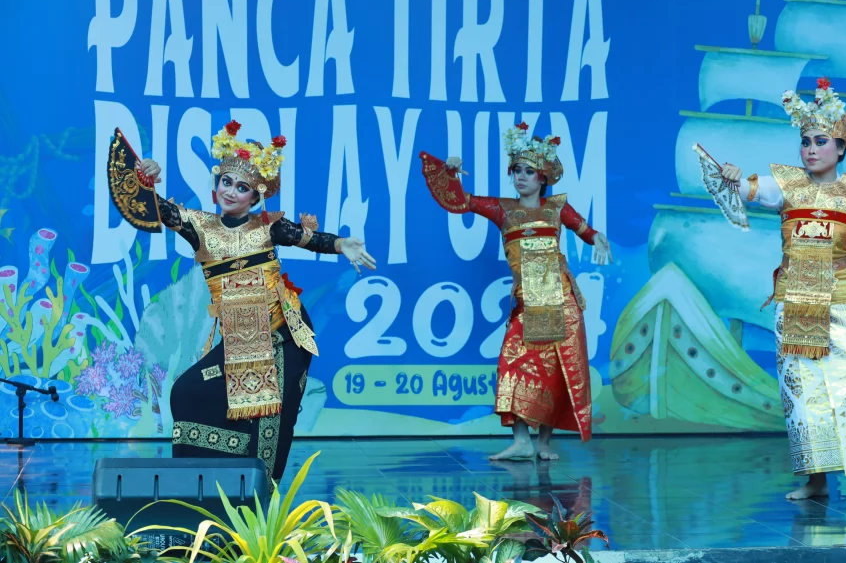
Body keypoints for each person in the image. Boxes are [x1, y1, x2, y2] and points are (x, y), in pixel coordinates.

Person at [107, 120, 375, 484]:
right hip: (241, 335)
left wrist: (341, 244)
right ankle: (199, 486)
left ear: (255, 197)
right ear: (216, 185)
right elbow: (154, 208)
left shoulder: (267, 226)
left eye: (242, 187)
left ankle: (258, 501)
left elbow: (305, 237)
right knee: (187, 393)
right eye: (226, 182)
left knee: (269, 421)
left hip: (281, 334)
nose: (231, 191)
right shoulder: (199, 225)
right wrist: (146, 176)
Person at [695, 78, 846, 502]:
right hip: (796, 302)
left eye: (820, 141)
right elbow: (751, 191)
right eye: (805, 141)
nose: (810, 148)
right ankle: (816, 479)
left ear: (841, 148)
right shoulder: (786, 185)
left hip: (842, 302)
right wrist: (733, 177)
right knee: (804, 394)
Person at [419, 123, 612, 461]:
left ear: (543, 178)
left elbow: (587, 230)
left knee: (555, 370)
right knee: (512, 365)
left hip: (558, 298)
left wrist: (597, 238)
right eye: (517, 171)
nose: (521, 177)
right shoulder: (501, 208)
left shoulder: (557, 208)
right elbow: (458, 201)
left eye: (529, 172)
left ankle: (543, 443)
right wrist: (450, 173)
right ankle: (521, 441)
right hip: (527, 300)